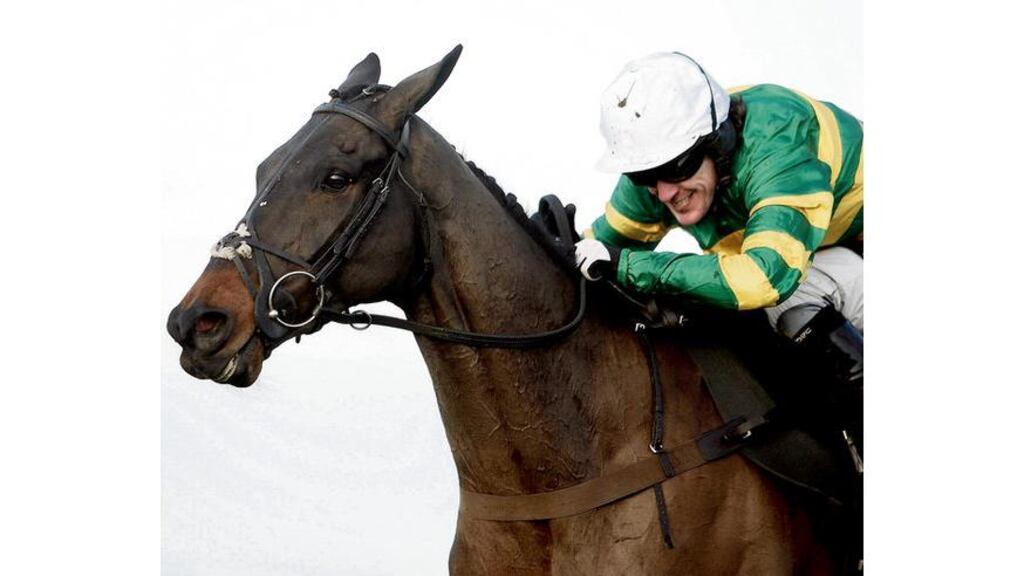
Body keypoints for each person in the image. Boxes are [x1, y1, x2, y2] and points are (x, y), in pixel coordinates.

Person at [574, 52, 863, 398]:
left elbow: (765, 278)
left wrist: (635, 267)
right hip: (823, 254)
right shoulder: (654, 184)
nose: (664, 192)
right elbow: (595, 254)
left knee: (783, 301)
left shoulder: (777, 142)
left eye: (675, 168)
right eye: (645, 175)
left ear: (718, 141)